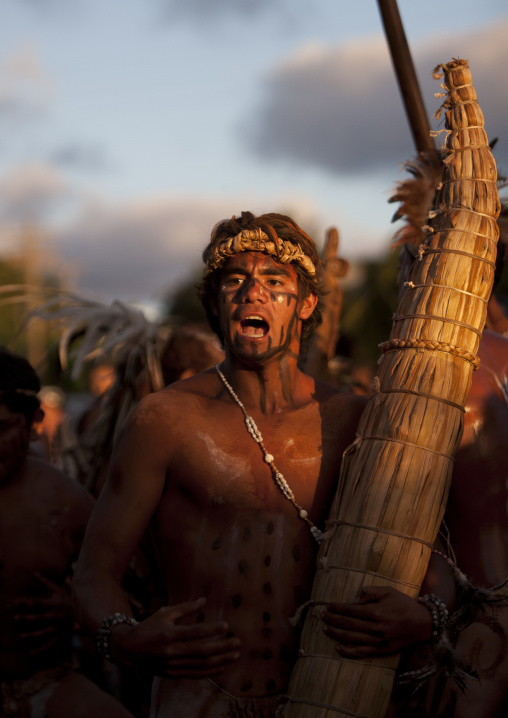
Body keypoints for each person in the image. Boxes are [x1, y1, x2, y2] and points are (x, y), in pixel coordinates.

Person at [73, 212, 451, 718]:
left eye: (275, 281)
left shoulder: (357, 421)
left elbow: (439, 558)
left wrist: (426, 618)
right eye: (235, 281)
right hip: (199, 701)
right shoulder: (165, 420)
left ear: (306, 304)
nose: (253, 293)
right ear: (215, 302)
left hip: (333, 698)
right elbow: (94, 572)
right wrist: (125, 638)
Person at [0, 347, 134, 718]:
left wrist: (76, 611)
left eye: (1, 428)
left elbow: (125, 589)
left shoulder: (67, 503)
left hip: (45, 682)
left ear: (33, 424)